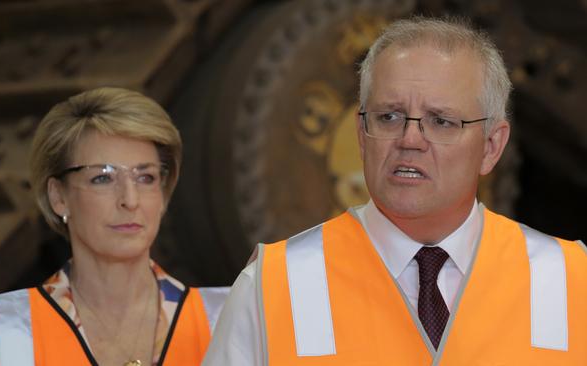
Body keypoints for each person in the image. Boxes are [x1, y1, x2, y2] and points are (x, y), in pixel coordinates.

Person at [202, 17, 587, 365]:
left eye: (441, 121)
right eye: (389, 117)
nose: (410, 139)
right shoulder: (276, 285)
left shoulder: (569, 281)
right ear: (361, 134)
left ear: (490, 146)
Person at [0, 87, 228, 366]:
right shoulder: (1, 333)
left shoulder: (226, 319)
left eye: (145, 178)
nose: (130, 200)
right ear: (59, 197)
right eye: (102, 178)